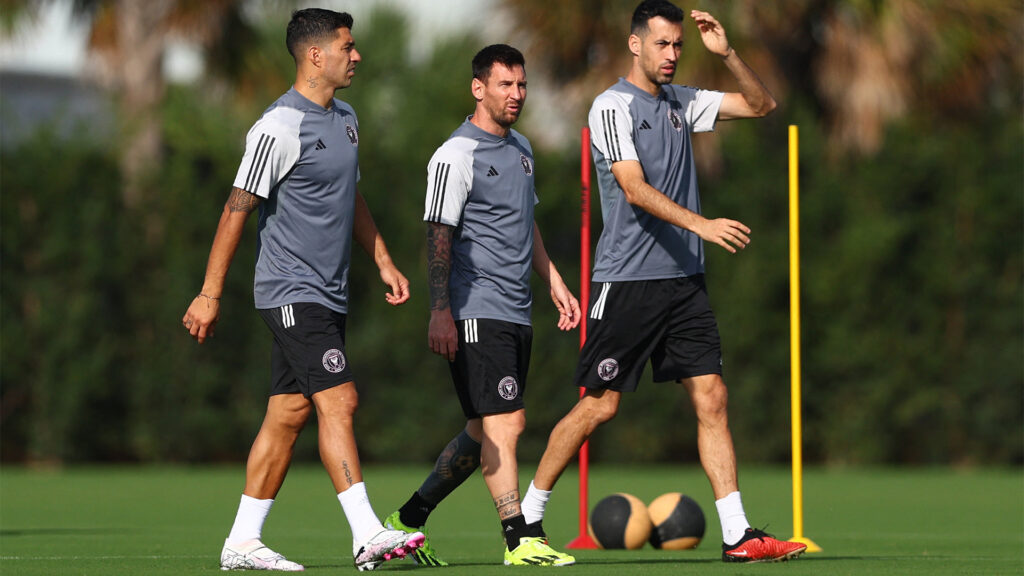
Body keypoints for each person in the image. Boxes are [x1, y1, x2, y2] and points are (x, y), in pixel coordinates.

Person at [519, 0, 808, 564]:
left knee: (712, 396)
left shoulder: (682, 101)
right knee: (599, 407)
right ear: (635, 45)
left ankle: (738, 536)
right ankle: (527, 518)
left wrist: (728, 53)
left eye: (678, 45)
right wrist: (702, 224)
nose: (672, 54)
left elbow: (761, 105)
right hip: (628, 281)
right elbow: (632, 187)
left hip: (685, 282)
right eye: (662, 43)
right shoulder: (611, 106)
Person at [181, 8, 424, 572]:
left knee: (289, 414)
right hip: (290, 290)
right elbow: (236, 210)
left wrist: (383, 259)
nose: (356, 55)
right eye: (347, 46)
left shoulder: (347, 118)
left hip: (328, 292)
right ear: (316, 55)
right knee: (340, 399)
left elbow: (350, 196)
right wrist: (209, 293)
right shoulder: (278, 126)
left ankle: (242, 542)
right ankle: (367, 533)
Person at [380, 44, 581, 567]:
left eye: (522, 84)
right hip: (475, 309)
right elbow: (438, 236)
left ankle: (408, 519)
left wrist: (555, 280)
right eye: (505, 84)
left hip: (516, 309)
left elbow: (526, 223)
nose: (516, 94)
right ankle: (519, 539)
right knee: (506, 423)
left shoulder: (523, 149)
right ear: (478, 88)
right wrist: (440, 311)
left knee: (481, 429)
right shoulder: (455, 154)